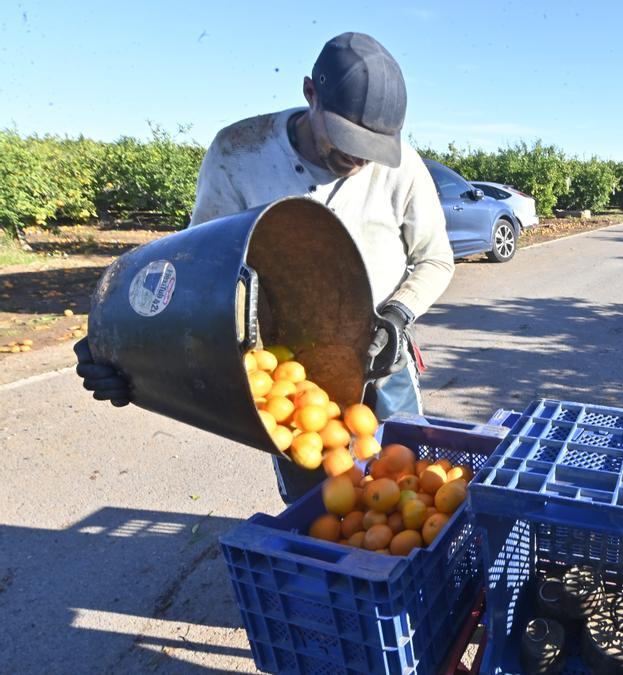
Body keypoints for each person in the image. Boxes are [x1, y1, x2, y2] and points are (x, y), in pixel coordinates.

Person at [75, 32, 455, 502]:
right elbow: (198, 272)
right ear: (310, 95)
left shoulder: (402, 168)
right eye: (348, 138)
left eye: (373, 146)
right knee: (317, 505)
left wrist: (396, 315)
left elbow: (435, 258)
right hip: (289, 371)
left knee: (407, 485)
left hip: (382, 355)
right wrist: (122, 346)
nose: (359, 158)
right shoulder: (240, 154)